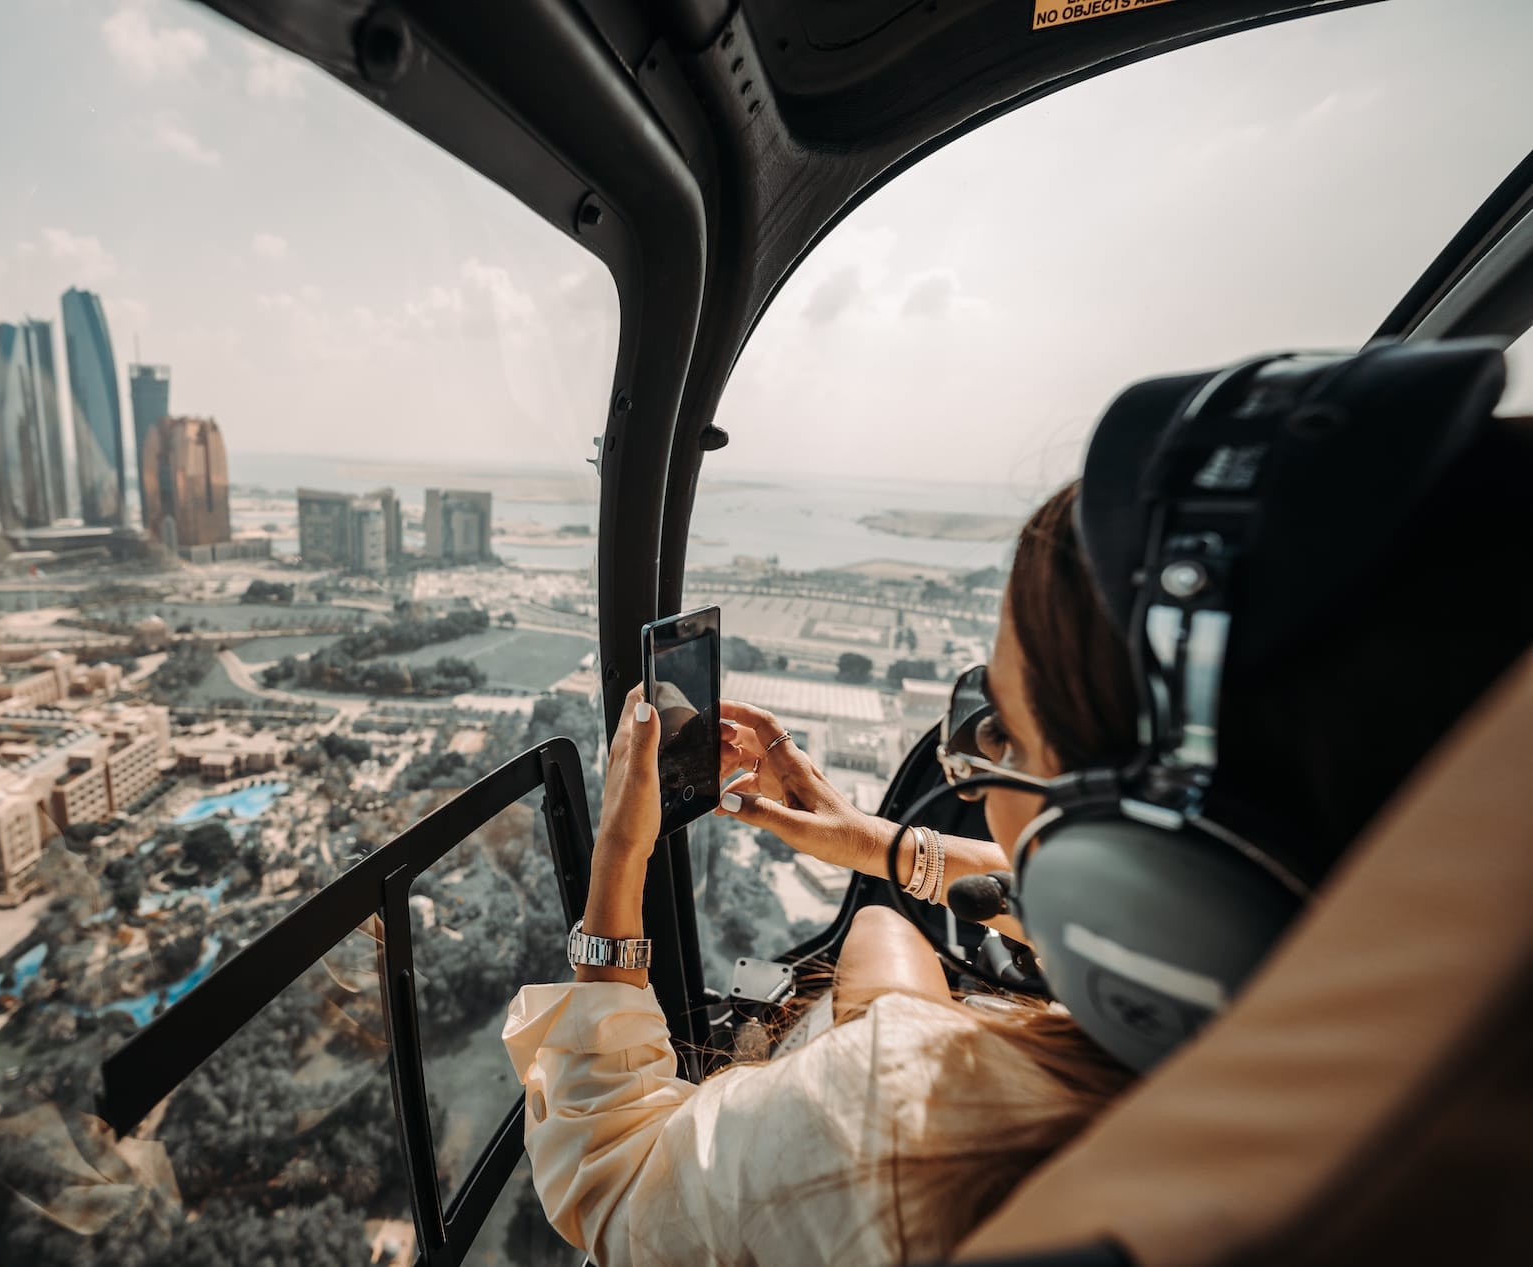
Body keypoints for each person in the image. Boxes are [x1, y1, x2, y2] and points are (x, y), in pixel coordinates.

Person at [501, 343, 1533, 1267]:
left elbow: (611, 1176)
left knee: (877, 959)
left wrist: (617, 862)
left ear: (1156, 881)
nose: (966, 766)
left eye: (1004, 736)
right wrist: (859, 837)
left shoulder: (888, 1130)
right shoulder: (1433, 1104)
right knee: (878, 942)